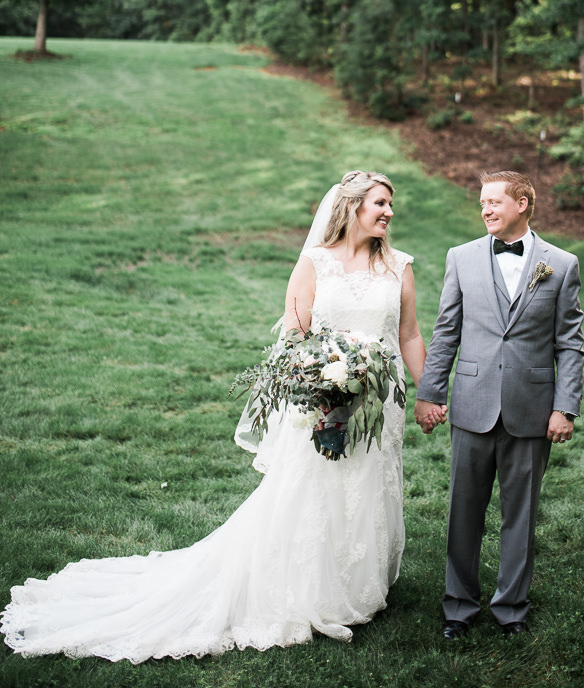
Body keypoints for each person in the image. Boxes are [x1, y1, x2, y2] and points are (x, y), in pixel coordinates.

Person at [2, 170, 433, 661]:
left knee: (367, 487)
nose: (389, 213)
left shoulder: (399, 266)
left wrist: (430, 393)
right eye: (380, 203)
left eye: (390, 205)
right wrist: (322, 382)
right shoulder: (315, 262)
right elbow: (293, 339)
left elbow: (411, 335)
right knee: (315, 491)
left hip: (379, 408)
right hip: (322, 402)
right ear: (352, 206)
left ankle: (356, 586)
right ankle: (307, 587)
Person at [414, 169, 584, 639]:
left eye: (495, 202)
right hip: (472, 402)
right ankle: (458, 608)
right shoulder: (461, 257)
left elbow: (569, 343)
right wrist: (430, 392)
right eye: (482, 202)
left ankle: (511, 609)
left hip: (532, 408)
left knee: (521, 515)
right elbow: (446, 329)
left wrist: (564, 407)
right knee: (463, 511)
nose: (485, 209)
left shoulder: (562, 264)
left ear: (523, 203)